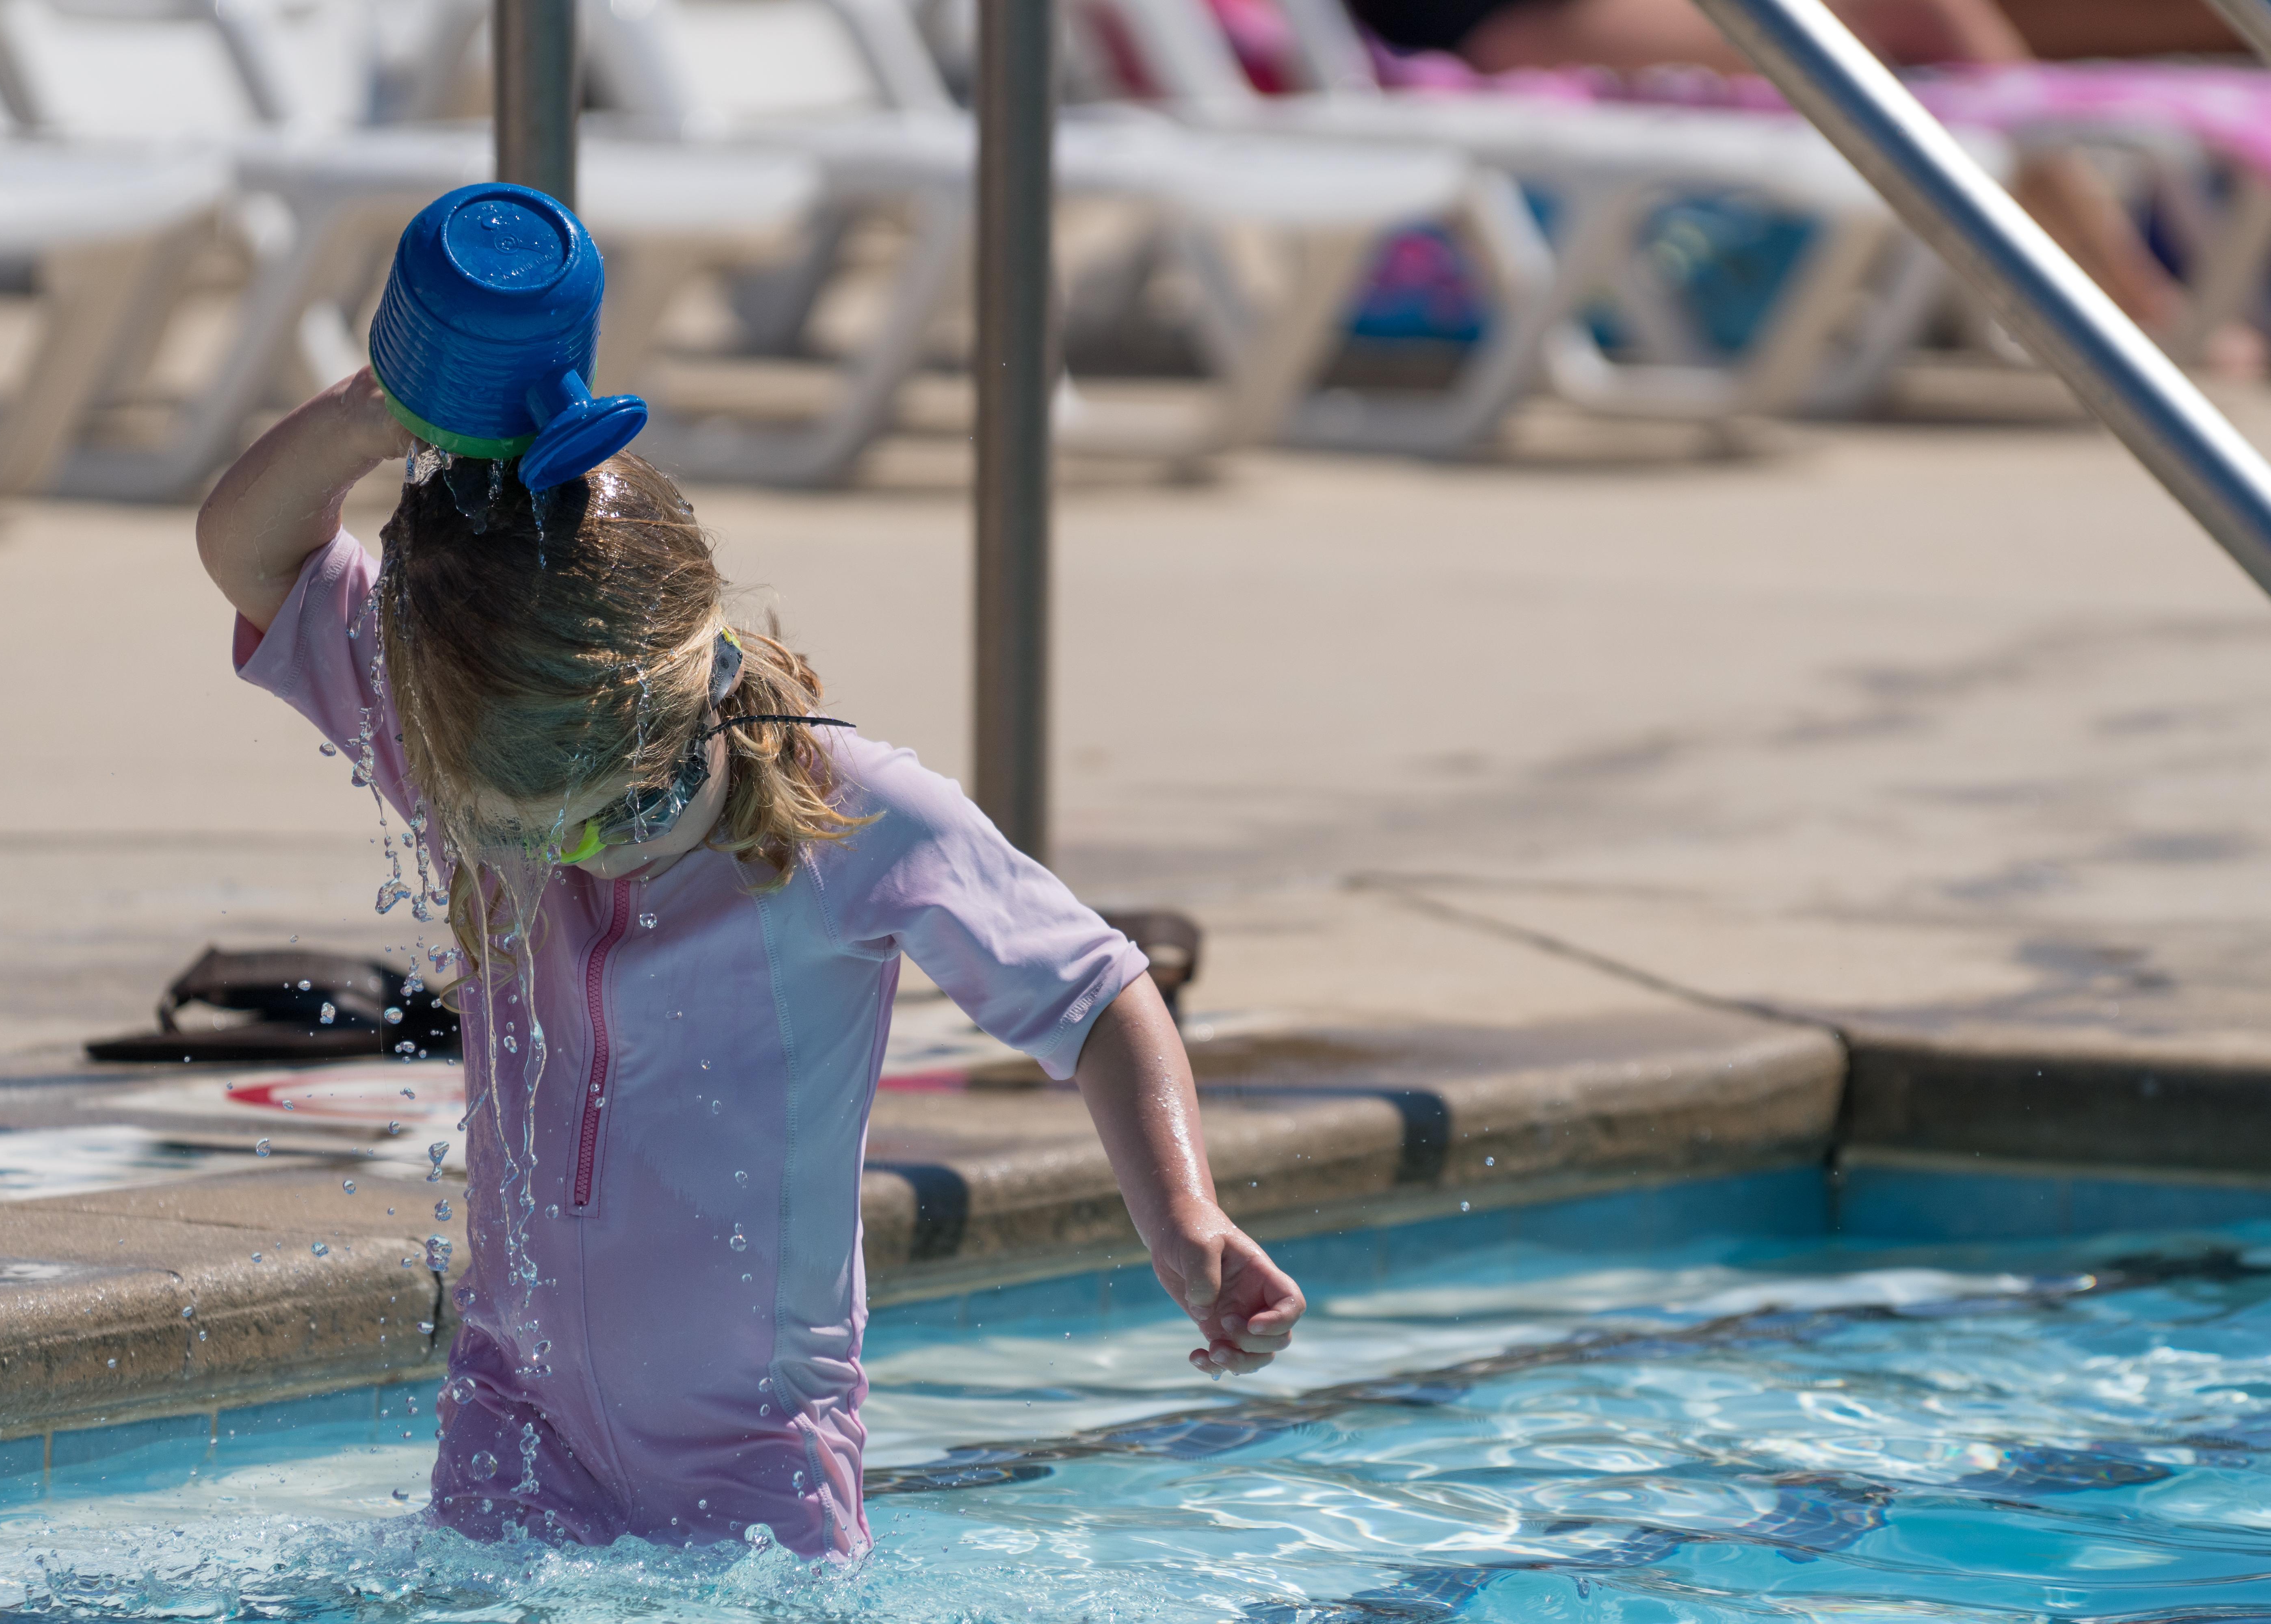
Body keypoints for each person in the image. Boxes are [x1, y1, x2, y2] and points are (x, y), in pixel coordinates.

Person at [195, 367, 1307, 1559]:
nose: (594, 855)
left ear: (715, 681)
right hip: (512, 1423)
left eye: (635, 803)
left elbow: (1096, 997)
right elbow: (256, 557)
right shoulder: (480, 757)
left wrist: (1181, 1213)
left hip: (756, 1460)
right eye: (537, 834)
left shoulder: (853, 821)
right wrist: (376, 416)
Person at [1347, 0, 2192, 339]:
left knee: (1928, 16)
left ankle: (2110, 280)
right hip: (1492, 31)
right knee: (1915, 18)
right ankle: (2119, 285)